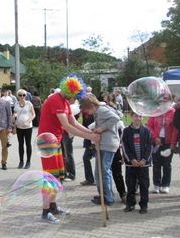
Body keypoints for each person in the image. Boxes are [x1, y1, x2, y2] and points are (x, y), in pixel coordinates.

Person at [38, 75, 100, 222]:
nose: (76, 101)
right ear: (70, 93)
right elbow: (67, 126)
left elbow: (74, 122)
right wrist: (90, 137)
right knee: (51, 178)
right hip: (47, 142)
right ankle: (45, 212)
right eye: (75, 97)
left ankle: (52, 206)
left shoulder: (64, 102)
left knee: (58, 176)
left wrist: (90, 133)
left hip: (56, 142)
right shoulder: (55, 100)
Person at [79, 93, 122, 206]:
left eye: (87, 110)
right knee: (98, 172)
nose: (87, 113)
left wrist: (102, 128)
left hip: (109, 143)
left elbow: (116, 118)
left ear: (92, 105)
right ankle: (102, 194)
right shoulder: (98, 111)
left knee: (104, 170)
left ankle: (108, 197)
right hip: (102, 143)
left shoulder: (102, 110)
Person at [122, 112, 152, 214]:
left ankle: (144, 205)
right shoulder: (126, 131)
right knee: (131, 184)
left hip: (143, 164)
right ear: (131, 117)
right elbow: (124, 146)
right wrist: (131, 159)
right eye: (135, 116)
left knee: (144, 185)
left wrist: (144, 159)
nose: (138, 118)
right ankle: (130, 204)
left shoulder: (146, 130)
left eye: (140, 116)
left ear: (142, 117)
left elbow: (149, 146)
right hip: (131, 164)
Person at [146, 107, 177, 194]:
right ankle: (156, 184)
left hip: (168, 141)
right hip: (156, 141)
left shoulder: (173, 112)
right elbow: (149, 126)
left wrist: (173, 143)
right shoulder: (155, 111)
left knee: (167, 164)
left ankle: (165, 185)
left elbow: (175, 129)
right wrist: (155, 137)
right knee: (156, 163)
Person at [14, 89, 35, 169]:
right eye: (20, 95)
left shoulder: (29, 103)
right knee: (20, 144)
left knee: (28, 144)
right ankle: (21, 161)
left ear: (26, 96)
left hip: (28, 127)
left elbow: (33, 114)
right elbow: (15, 113)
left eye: (23, 95)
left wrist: (28, 121)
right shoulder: (16, 104)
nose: (22, 96)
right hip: (19, 127)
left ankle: (28, 161)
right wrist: (14, 118)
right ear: (18, 96)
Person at [80, 108, 96, 186]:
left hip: (96, 139)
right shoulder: (84, 113)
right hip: (88, 139)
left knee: (99, 161)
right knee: (85, 158)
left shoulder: (95, 113)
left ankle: (99, 180)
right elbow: (84, 126)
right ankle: (89, 179)